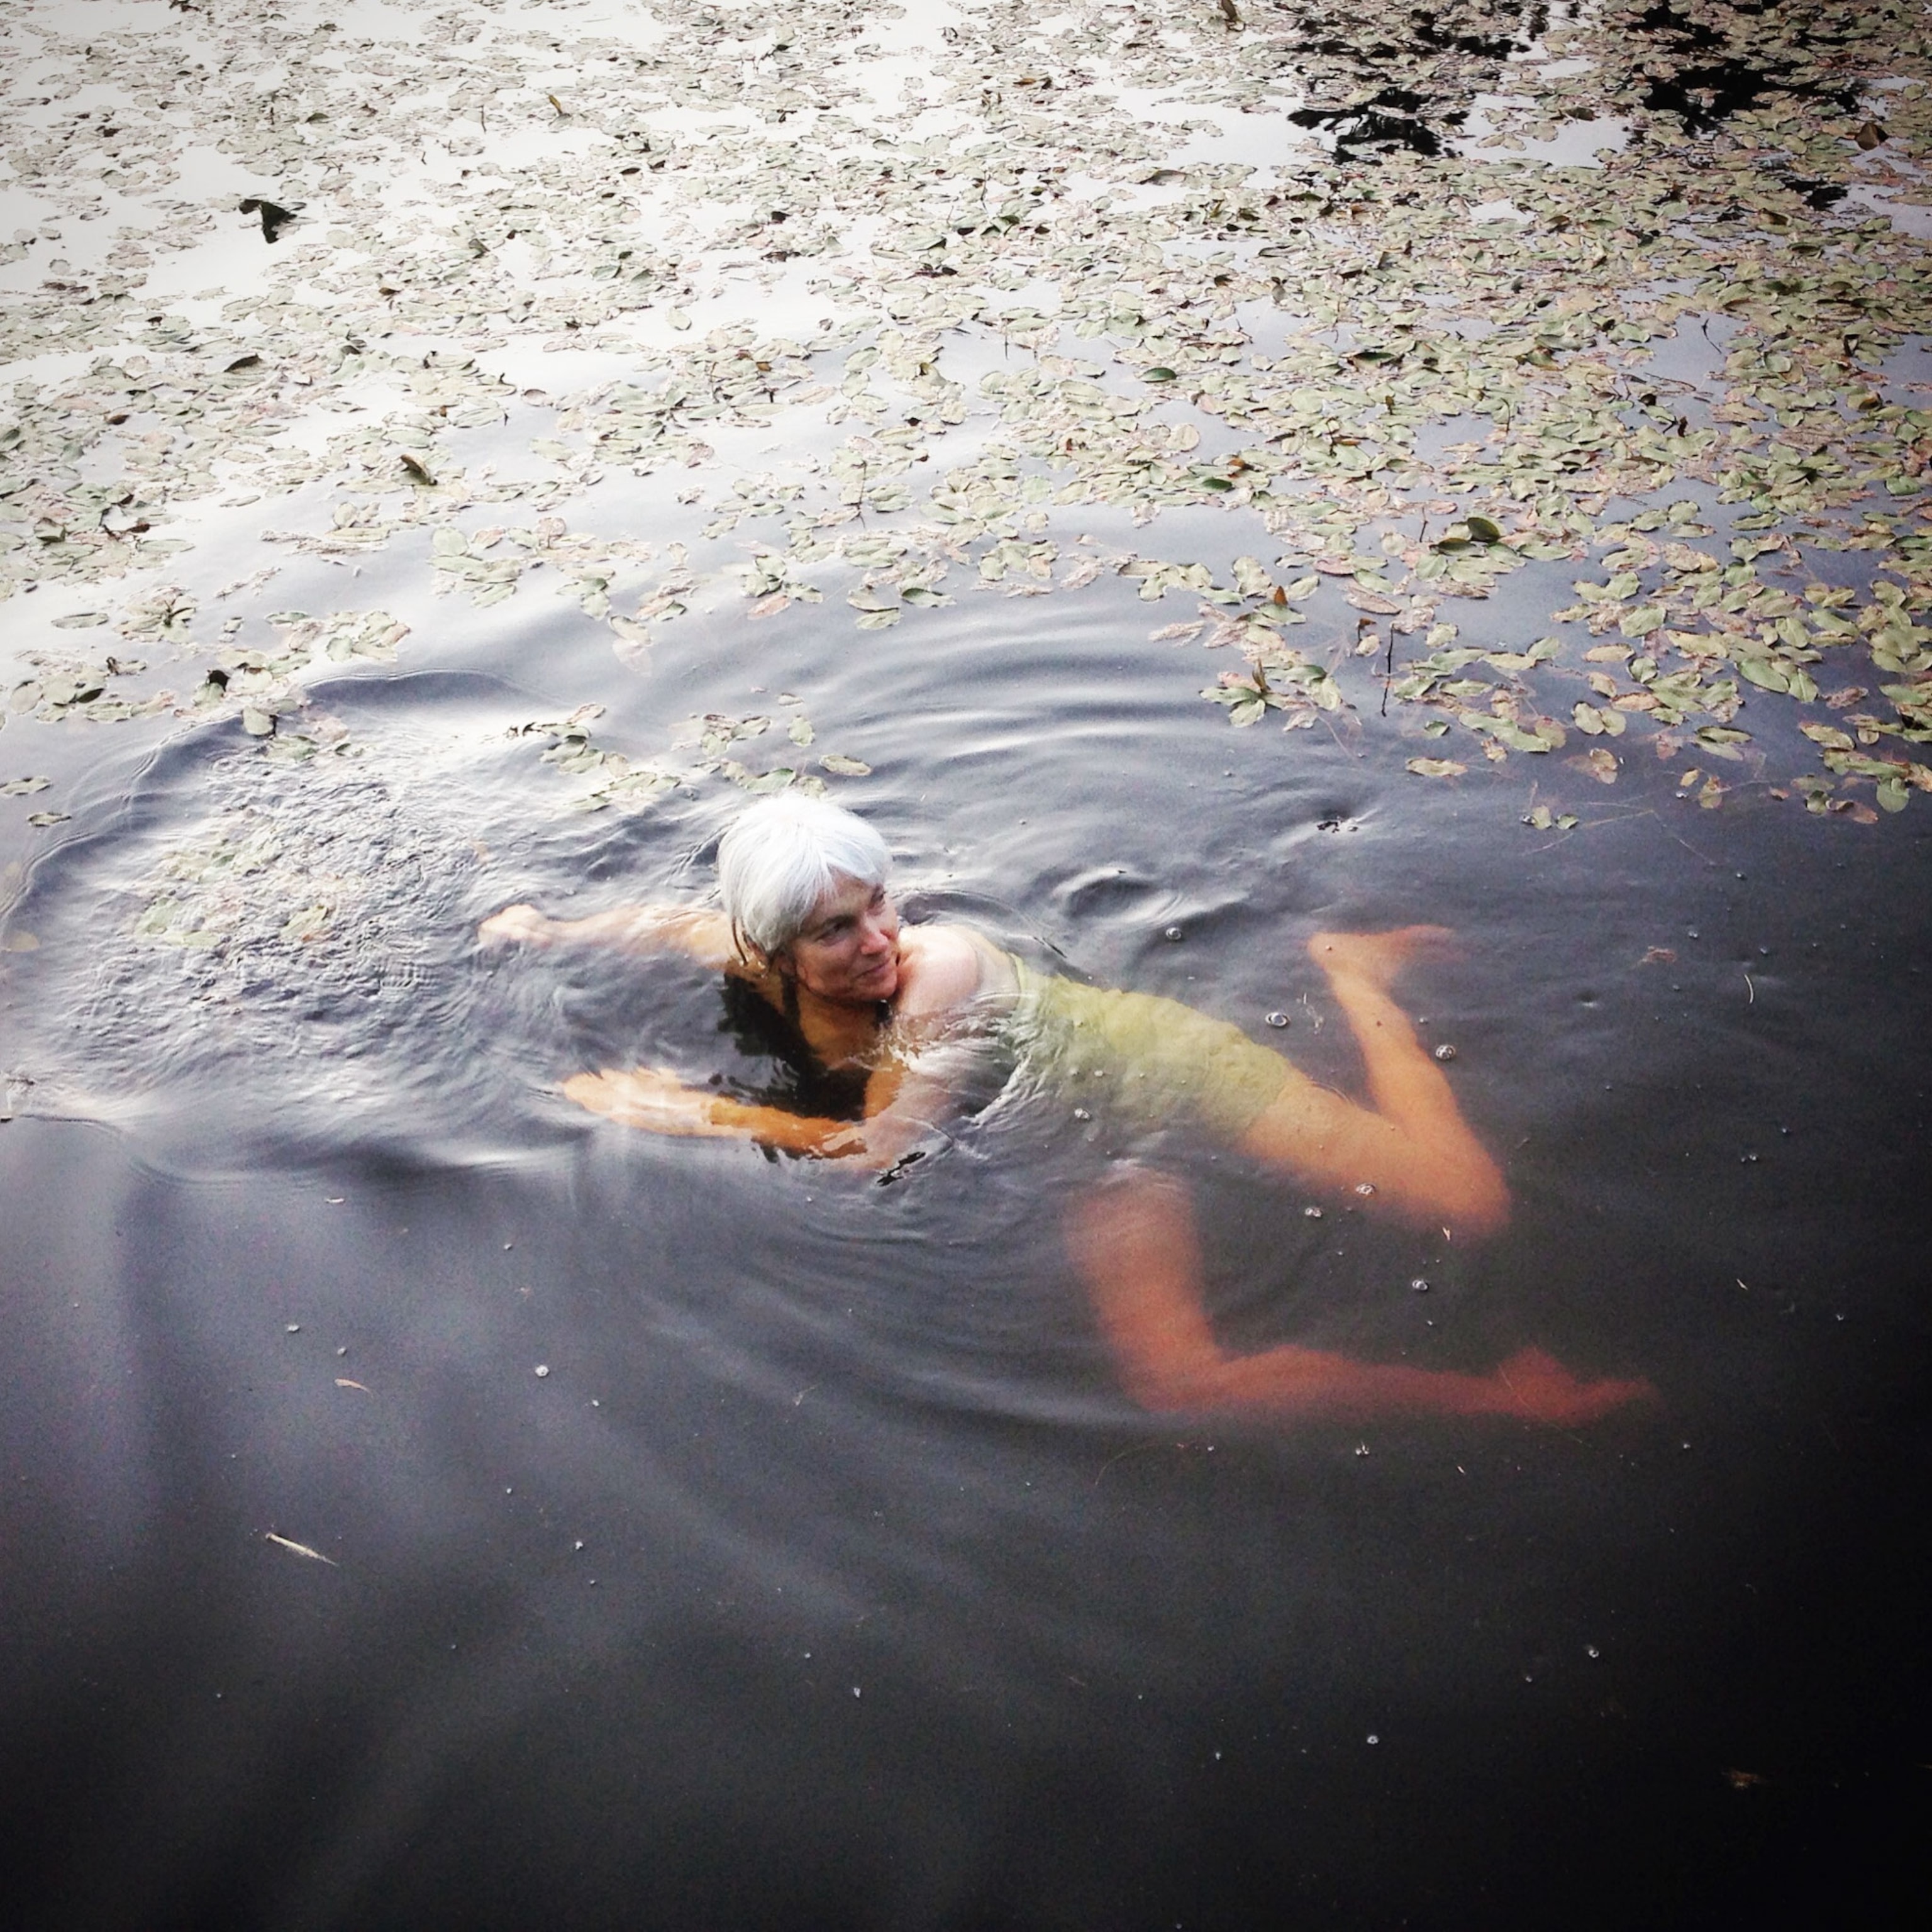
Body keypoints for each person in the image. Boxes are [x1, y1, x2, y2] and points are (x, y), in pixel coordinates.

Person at [480, 793, 1653, 1426]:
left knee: (1474, 1204)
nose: (879, 938)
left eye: (880, 903)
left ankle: (1353, 972)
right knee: (1181, 1386)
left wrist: (694, 1112)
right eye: (837, 929)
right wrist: (548, 930)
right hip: (1086, 1161)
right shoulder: (748, 954)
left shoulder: (935, 978)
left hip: (1162, 1073)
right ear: (772, 947)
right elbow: (664, 923)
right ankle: (1502, 1401)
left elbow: (873, 1150)